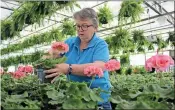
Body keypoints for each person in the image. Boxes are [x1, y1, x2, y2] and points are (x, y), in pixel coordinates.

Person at [44, 8, 112, 109]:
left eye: (84, 26)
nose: (80, 29)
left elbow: (99, 66)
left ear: (95, 27)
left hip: (97, 99)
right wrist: (48, 56)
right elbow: (53, 52)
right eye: (78, 25)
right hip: (74, 97)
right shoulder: (70, 42)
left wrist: (68, 68)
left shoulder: (101, 45)